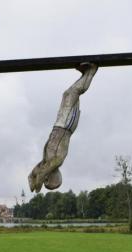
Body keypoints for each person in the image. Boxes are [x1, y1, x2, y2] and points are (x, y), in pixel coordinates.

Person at [28, 62, 98, 192]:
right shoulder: (57, 161)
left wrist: (33, 185)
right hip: (66, 125)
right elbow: (41, 175)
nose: (45, 179)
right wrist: (38, 185)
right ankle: (92, 71)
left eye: (45, 181)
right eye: (48, 180)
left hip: (60, 125)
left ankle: (85, 74)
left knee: (68, 93)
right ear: (53, 177)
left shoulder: (45, 163)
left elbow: (31, 176)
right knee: (73, 93)